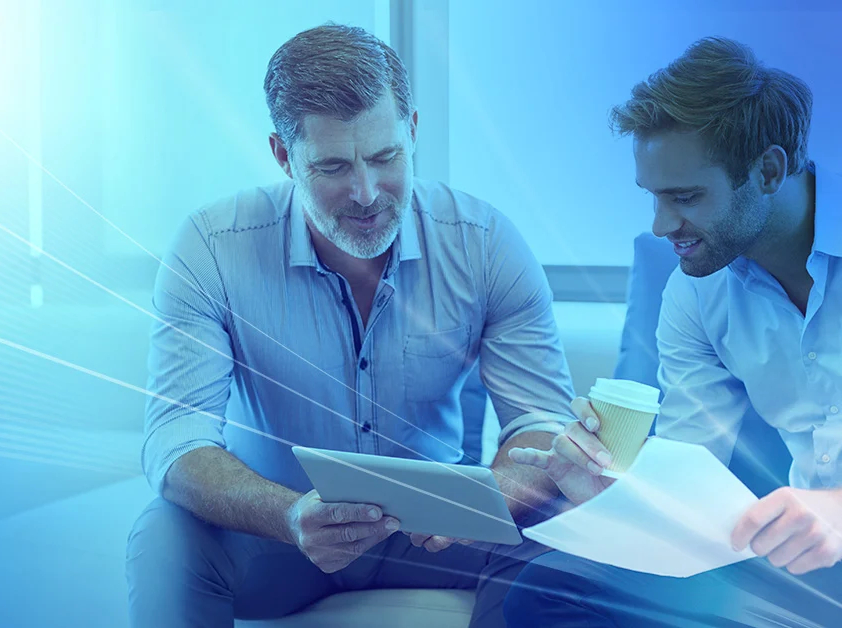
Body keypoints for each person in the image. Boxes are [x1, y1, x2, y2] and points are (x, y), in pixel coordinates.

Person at [125, 24, 575, 628]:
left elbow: (539, 424)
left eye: (386, 157)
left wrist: (488, 496)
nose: (366, 192)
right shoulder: (212, 247)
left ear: (412, 131)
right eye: (333, 166)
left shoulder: (486, 244)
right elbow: (176, 440)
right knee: (163, 534)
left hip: (442, 537)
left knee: (564, 526)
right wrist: (287, 516)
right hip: (281, 534)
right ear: (284, 156)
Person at [503, 37, 842, 626]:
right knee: (549, 590)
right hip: (801, 554)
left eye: (686, 196)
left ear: (768, 169)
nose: (663, 225)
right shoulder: (696, 289)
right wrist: (605, 494)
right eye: (655, 197)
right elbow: (691, 476)